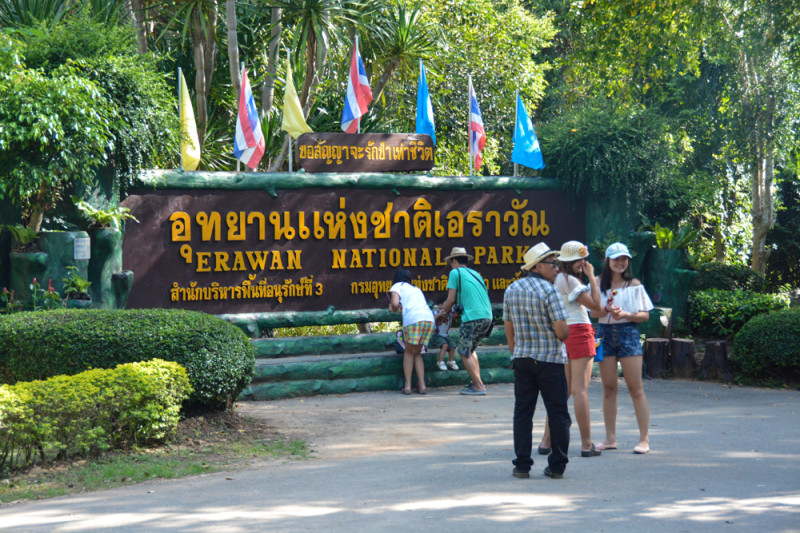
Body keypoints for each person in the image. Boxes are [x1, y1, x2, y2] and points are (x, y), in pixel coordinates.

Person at [503, 243, 571, 479]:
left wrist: (516, 353)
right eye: (553, 264)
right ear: (538, 266)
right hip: (550, 360)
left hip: (522, 359)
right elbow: (562, 332)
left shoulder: (511, 289)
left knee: (523, 412)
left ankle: (522, 465)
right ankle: (557, 466)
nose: (557, 268)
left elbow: (508, 327)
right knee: (558, 412)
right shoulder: (549, 291)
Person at [591, 242, 653, 454]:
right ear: (607, 260)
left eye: (624, 259)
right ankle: (610, 439)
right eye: (616, 258)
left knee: (636, 388)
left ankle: (644, 439)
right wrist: (605, 310)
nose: (620, 262)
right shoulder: (597, 283)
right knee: (609, 389)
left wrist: (624, 314)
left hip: (629, 333)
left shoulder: (634, 284)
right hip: (604, 334)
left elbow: (644, 315)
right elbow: (592, 314)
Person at [435, 247, 493, 396]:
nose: (450, 265)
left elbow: (450, 299)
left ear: (454, 260)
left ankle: (479, 386)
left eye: (450, 262)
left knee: (463, 350)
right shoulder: (475, 274)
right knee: (470, 350)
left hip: (473, 317)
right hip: (487, 315)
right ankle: (476, 382)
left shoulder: (455, 273)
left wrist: (442, 313)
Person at [389, 267, 436, 395]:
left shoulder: (397, 286)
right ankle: (422, 385)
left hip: (414, 320)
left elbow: (394, 304)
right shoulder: (416, 289)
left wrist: (392, 308)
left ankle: (408, 386)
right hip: (428, 319)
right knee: (417, 352)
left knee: (409, 353)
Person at [432, 297, 458, 371]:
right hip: (437, 335)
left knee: (452, 346)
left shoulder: (450, 312)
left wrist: (456, 312)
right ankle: (440, 362)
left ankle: (451, 361)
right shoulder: (437, 311)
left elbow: (455, 315)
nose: (450, 306)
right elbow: (432, 318)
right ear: (441, 305)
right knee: (445, 345)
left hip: (446, 335)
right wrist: (439, 314)